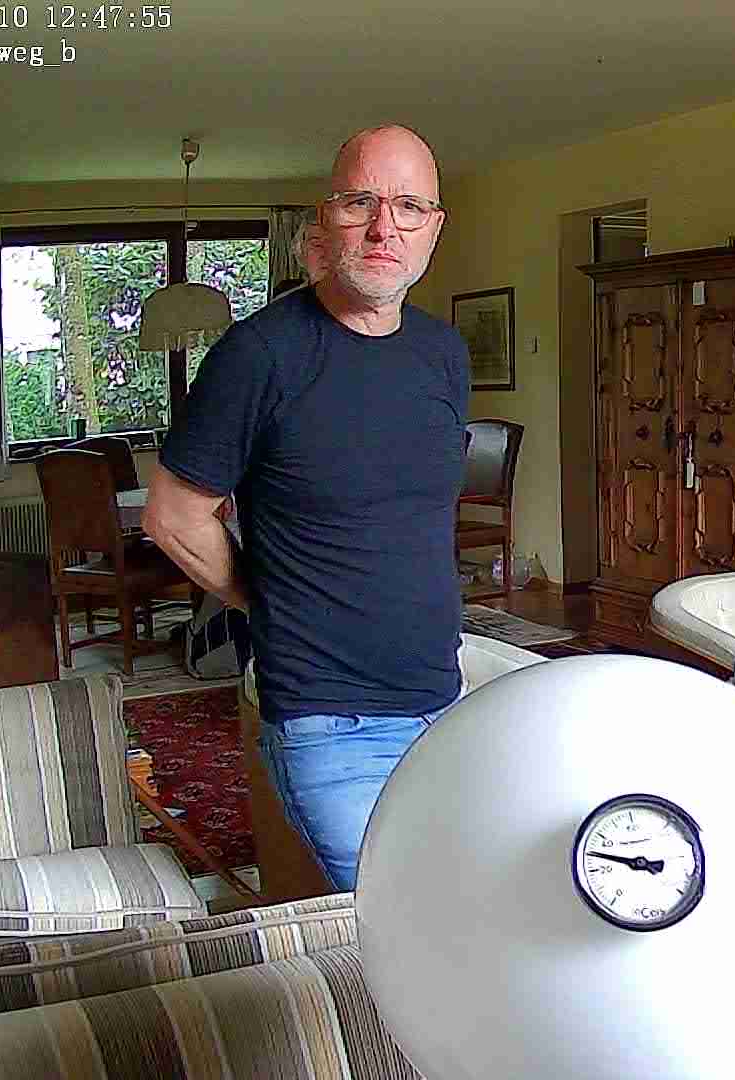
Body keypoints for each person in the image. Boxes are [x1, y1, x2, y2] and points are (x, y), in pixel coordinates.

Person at [144, 124, 467, 890]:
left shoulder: (443, 354)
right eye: (361, 203)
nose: (385, 228)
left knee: (471, 909)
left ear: (433, 228)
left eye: (409, 207)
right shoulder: (260, 355)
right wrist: (268, 599)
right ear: (326, 220)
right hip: (331, 721)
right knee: (401, 922)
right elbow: (172, 516)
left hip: (444, 703)